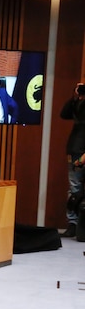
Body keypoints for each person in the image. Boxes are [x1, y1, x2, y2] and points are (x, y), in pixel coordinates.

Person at [60, 82, 85, 238]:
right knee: (75, 186)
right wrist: (75, 97)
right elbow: (64, 114)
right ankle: (73, 224)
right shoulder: (79, 103)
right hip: (77, 150)